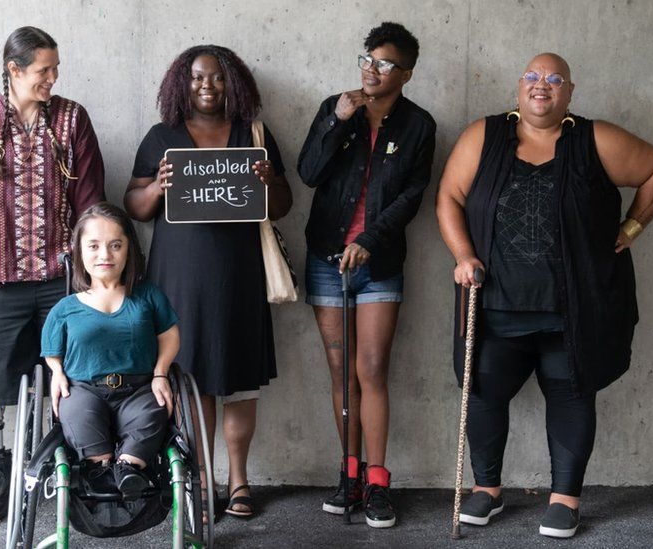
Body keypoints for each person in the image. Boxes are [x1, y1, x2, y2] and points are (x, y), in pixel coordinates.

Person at [436, 53, 653, 538]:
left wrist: (633, 226)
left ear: (568, 92)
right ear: (518, 86)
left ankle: (565, 499)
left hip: (572, 307)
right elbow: (449, 198)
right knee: (481, 392)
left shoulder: (596, 140)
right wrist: (463, 255)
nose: (540, 85)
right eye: (531, 76)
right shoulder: (484, 135)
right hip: (495, 302)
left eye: (553, 79)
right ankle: (487, 491)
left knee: (570, 395)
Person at [125, 44, 292, 519]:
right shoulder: (163, 137)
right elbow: (134, 205)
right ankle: (199, 480)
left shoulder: (252, 134)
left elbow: (282, 204)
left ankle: (240, 482)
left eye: (218, 78)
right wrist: (158, 185)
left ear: (233, 83)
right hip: (180, 278)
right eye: (198, 78)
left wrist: (265, 182)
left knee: (238, 380)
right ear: (182, 82)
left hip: (239, 276)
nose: (208, 86)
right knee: (191, 379)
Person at [0, 26, 106, 522]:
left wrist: (91, 271)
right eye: (44, 70)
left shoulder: (71, 118)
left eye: (56, 69)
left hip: (61, 279)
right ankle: (3, 469)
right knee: (1, 382)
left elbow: (90, 198)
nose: (53, 78)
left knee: (74, 374)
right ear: (14, 70)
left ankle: (71, 467)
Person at [297, 22, 435, 528]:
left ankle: (378, 481)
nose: (372, 71)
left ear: (407, 73)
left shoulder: (419, 125)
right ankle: (348, 473)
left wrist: (368, 241)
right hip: (326, 258)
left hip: (378, 263)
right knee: (339, 372)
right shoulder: (337, 107)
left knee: (371, 369)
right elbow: (308, 172)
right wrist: (337, 121)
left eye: (384, 64)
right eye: (367, 59)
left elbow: (410, 197)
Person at [41, 202, 180, 499]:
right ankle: (100, 468)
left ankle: (129, 468)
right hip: (84, 388)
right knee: (76, 413)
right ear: (79, 251)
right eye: (94, 246)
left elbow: (169, 336)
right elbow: (51, 349)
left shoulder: (148, 295)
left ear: (129, 248)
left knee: (153, 411)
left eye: (115, 245)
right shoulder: (66, 308)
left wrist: (161, 374)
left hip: (139, 387)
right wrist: (56, 373)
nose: (105, 255)